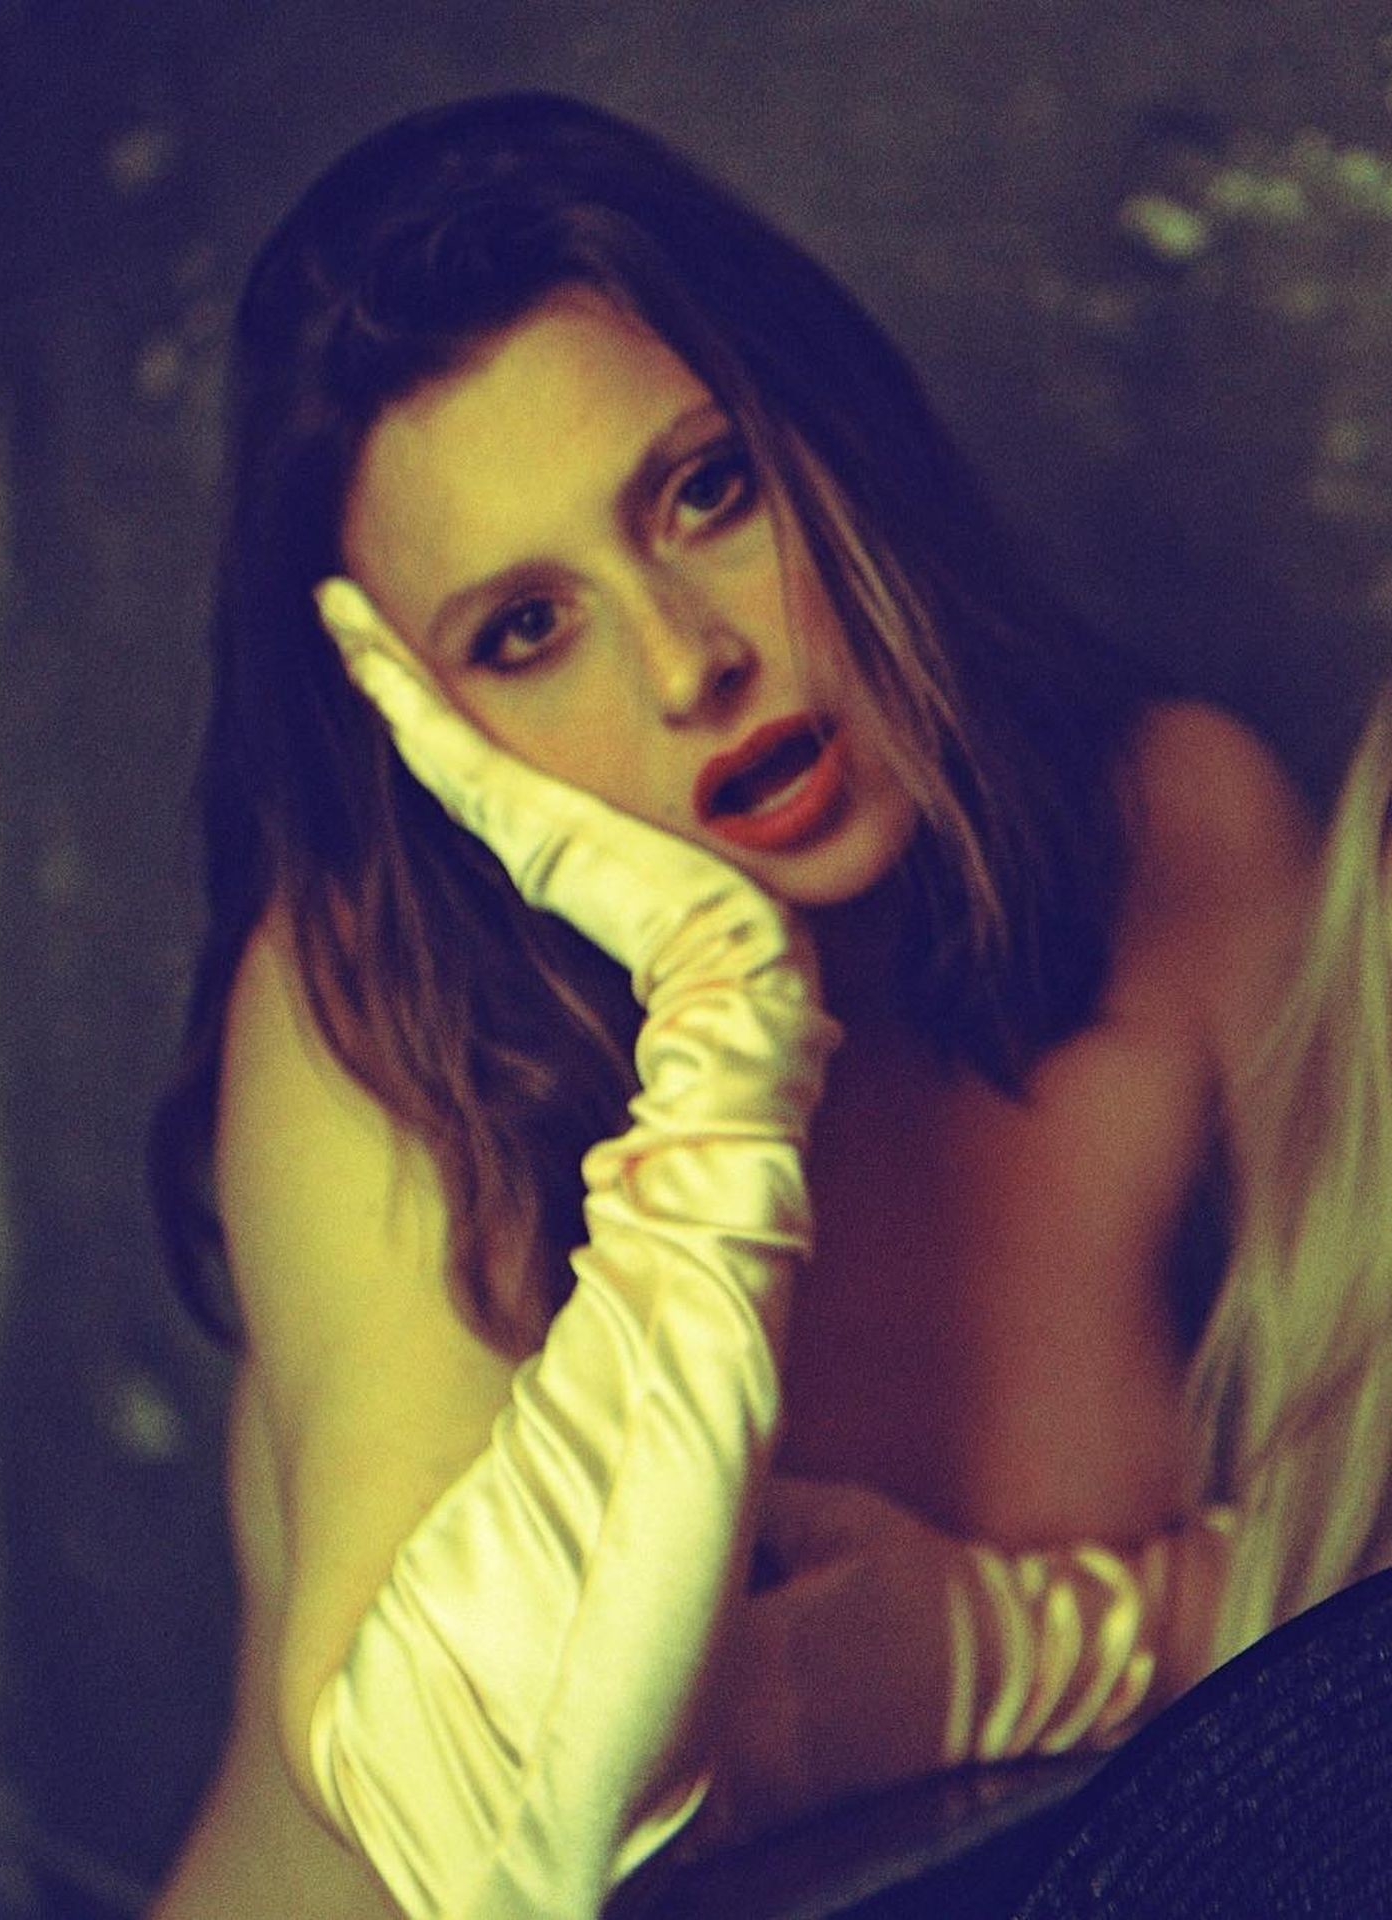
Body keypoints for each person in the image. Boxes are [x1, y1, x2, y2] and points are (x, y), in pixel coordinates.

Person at [143, 92, 1384, 1919]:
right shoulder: (366, 1008)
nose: (686, 662)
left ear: (831, 438)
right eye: (523, 631)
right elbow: (487, 1830)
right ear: (421, 731)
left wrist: (1002, 1649)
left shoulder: (1176, 829)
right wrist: (723, 1027)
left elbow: (1371, 1571)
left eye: (703, 493)